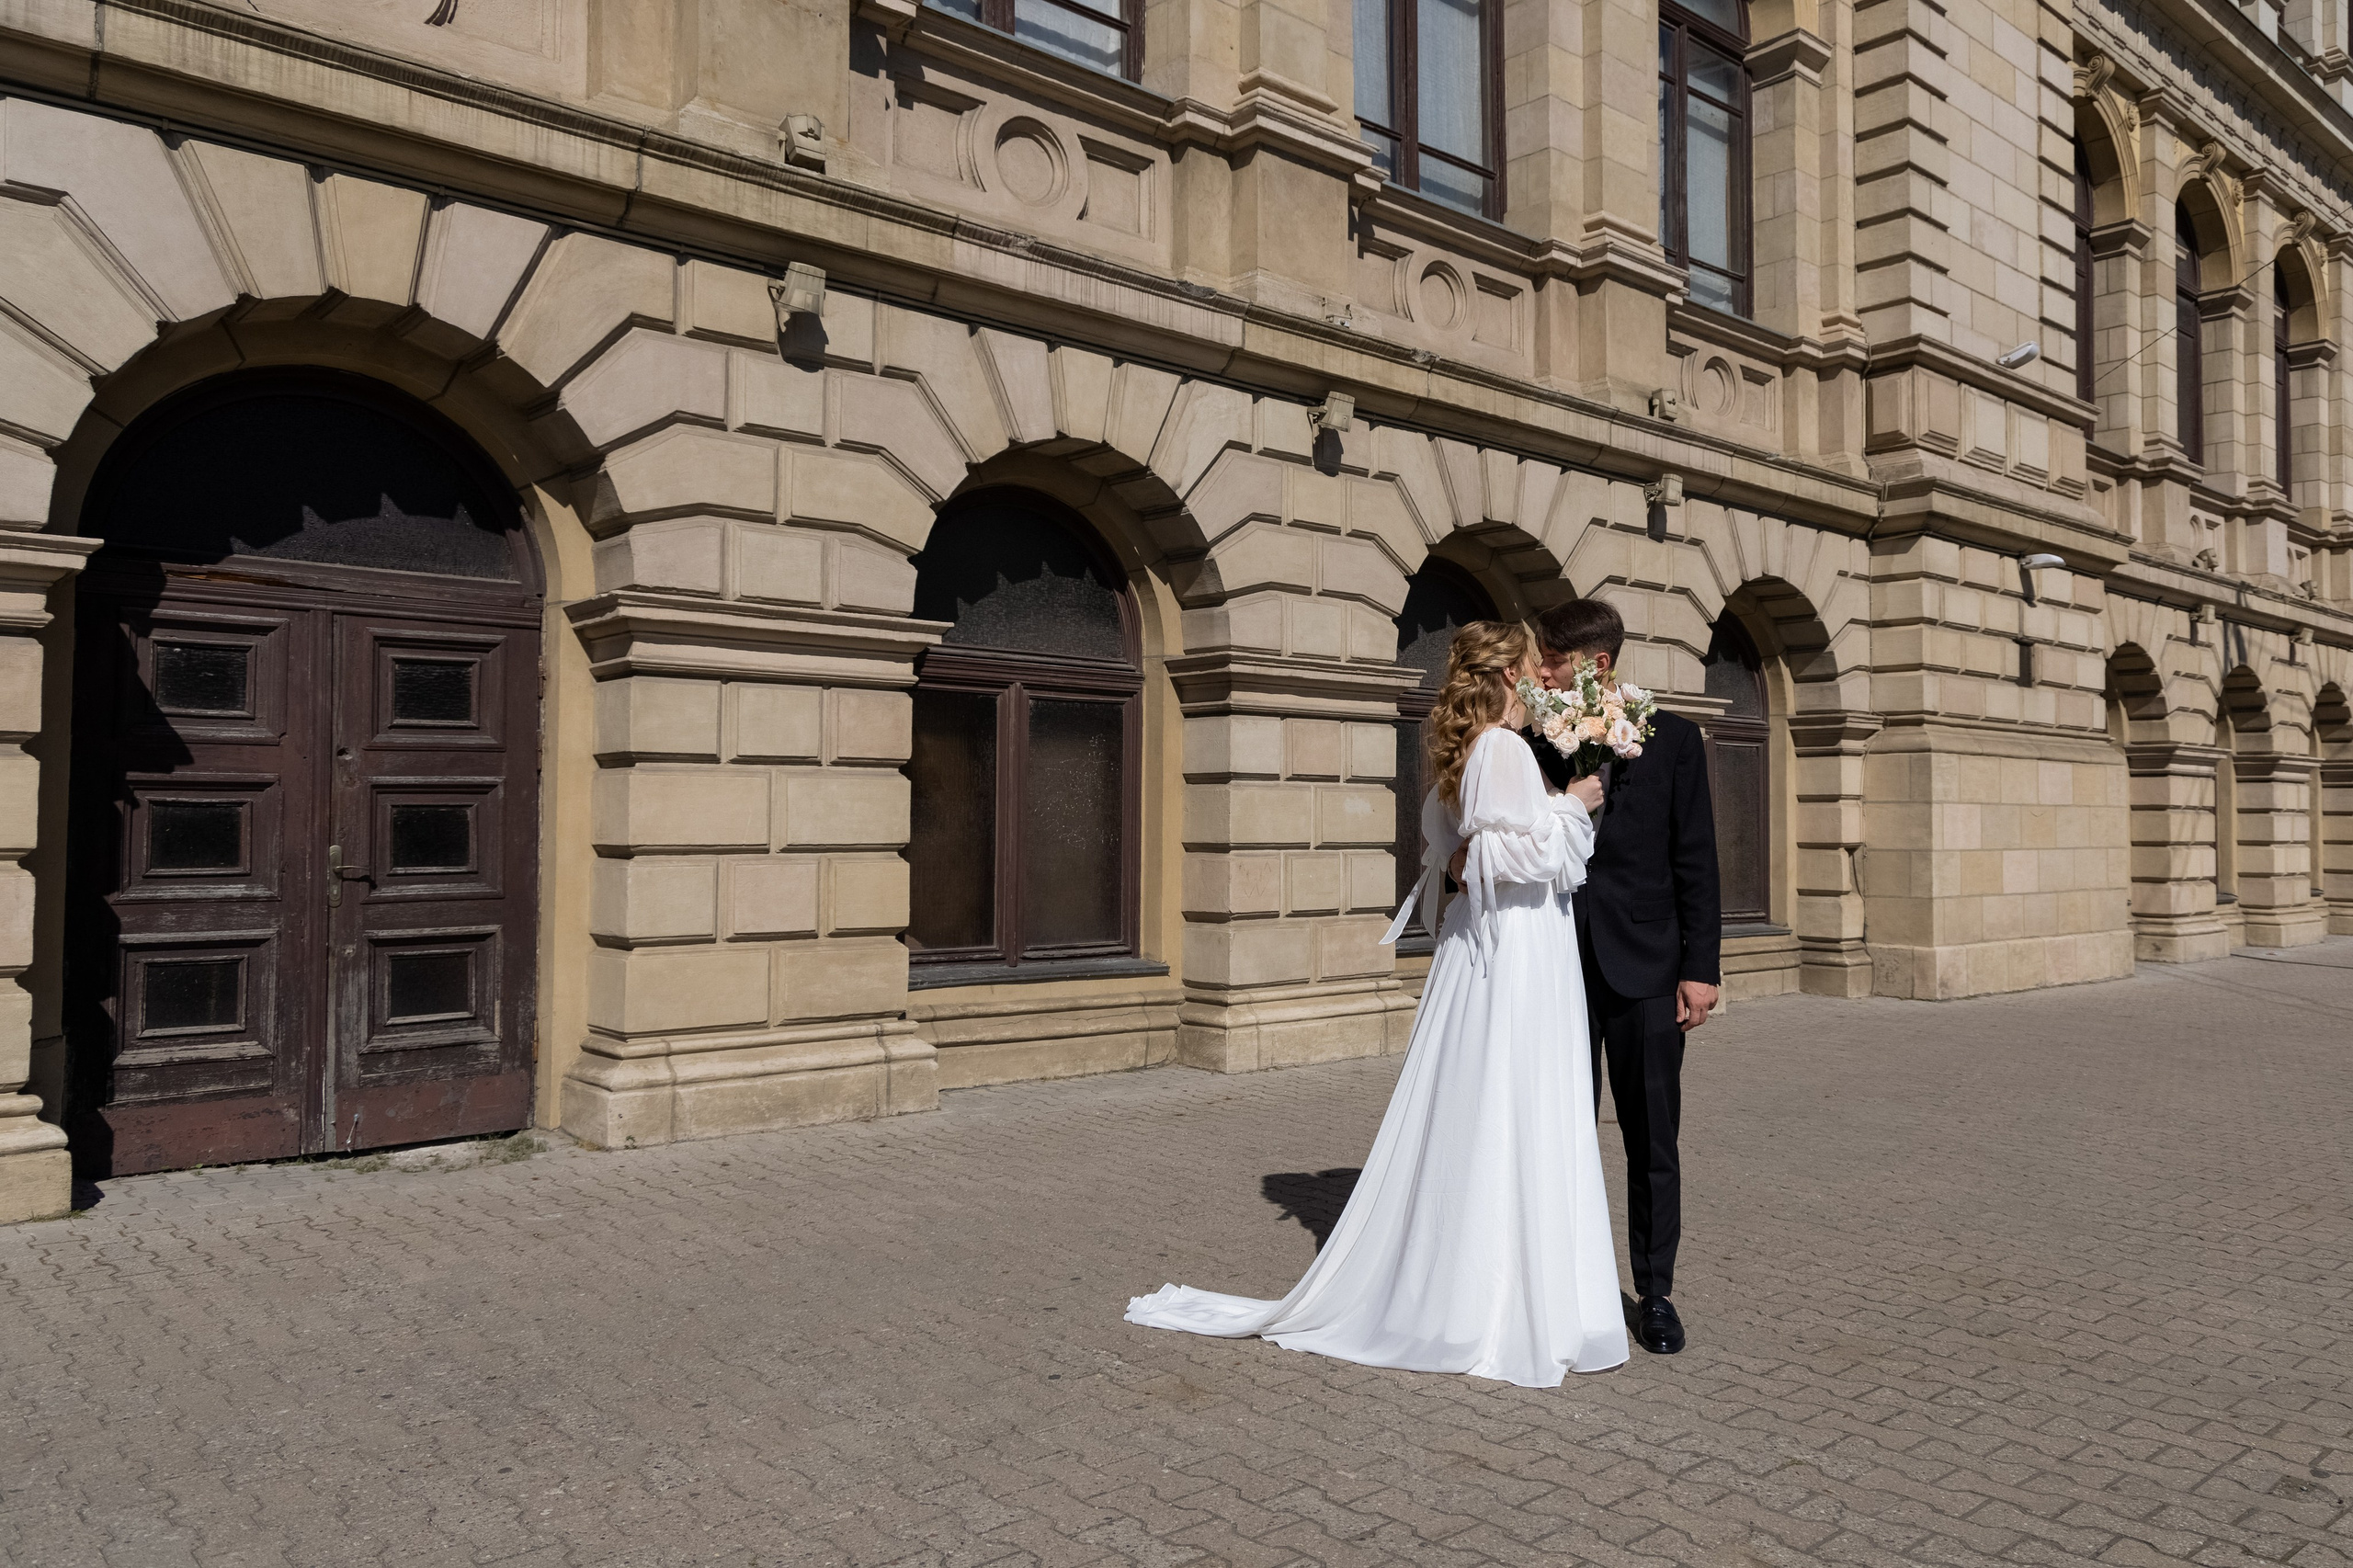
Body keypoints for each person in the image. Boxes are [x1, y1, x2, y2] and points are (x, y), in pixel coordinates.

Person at [1124, 620, 1627, 1387]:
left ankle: (1497, 1279)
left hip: (1501, 949)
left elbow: (1459, 853)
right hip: (1514, 951)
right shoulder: (1501, 749)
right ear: (1507, 676)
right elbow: (1507, 857)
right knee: (1511, 1103)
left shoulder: (1474, 752)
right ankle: (1497, 1301)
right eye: (1531, 667)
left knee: (1501, 1105)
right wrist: (1573, 806)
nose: (1541, 681)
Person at [1534, 598, 1722, 1357]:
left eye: (1553, 661)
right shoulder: (1535, 740)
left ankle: (1656, 1293)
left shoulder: (1673, 739)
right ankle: (1560, 1289)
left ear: (1596, 666)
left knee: (1652, 1141)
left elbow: (1697, 860)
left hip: (1648, 970)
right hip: (1554, 968)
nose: (1543, 673)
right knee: (1558, 1133)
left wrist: (1699, 970)